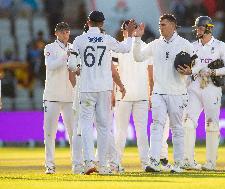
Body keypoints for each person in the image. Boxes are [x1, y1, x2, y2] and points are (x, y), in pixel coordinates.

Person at [68, 11, 136, 175]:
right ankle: (104, 165)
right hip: (104, 88)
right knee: (104, 127)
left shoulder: (79, 40)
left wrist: (78, 69)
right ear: (102, 24)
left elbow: (71, 66)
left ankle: (89, 161)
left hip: (86, 88)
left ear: (88, 22)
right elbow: (126, 48)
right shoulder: (107, 39)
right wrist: (130, 34)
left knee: (85, 124)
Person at [133, 14, 197, 173]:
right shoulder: (155, 44)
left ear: (173, 26)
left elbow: (198, 64)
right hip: (159, 92)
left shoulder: (185, 44)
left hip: (177, 93)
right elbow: (138, 57)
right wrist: (137, 40)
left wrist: (191, 71)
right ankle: (154, 161)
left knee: (177, 128)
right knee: (156, 126)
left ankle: (179, 163)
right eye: (159, 24)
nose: (160, 27)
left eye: (163, 24)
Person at [179, 16, 225, 171]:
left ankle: (210, 162)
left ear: (209, 28)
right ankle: (188, 160)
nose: (197, 31)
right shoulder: (191, 46)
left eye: (200, 28)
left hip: (212, 87)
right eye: (197, 28)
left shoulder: (220, 46)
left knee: (211, 125)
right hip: (194, 86)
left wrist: (213, 71)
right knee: (188, 122)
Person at [112, 20, 153, 171]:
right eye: (126, 29)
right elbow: (113, 72)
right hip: (123, 96)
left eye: (132, 29)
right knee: (121, 131)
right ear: (123, 31)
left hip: (140, 95)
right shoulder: (117, 48)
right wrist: (112, 93)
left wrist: (151, 93)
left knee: (140, 131)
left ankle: (145, 163)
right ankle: (116, 163)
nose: (129, 31)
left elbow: (150, 73)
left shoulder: (145, 48)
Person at [43, 22, 81, 174]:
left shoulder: (73, 47)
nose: (66, 34)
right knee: (50, 133)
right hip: (52, 96)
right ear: (56, 33)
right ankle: (50, 165)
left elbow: (77, 69)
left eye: (67, 31)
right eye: (62, 31)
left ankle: (76, 164)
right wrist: (66, 56)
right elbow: (50, 66)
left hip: (70, 96)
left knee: (73, 133)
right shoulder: (49, 48)